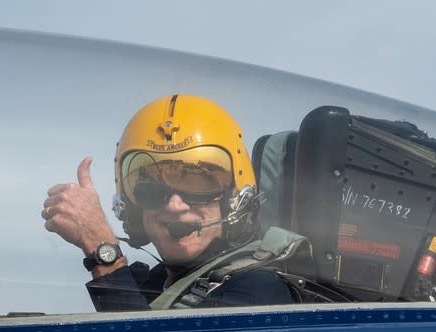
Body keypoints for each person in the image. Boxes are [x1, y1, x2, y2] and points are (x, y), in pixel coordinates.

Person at [42, 94, 295, 311]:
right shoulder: (158, 287)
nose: (175, 206)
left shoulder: (258, 293)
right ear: (132, 207)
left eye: (198, 185)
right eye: (151, 190)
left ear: (234, 199)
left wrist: (104, 254)